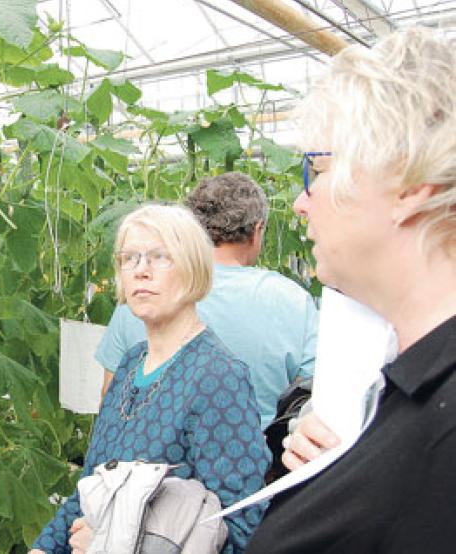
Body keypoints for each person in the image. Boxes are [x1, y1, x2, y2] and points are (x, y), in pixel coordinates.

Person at [245, 27, 456, 553]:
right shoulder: (404, 384)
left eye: (316, 168)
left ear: (408, 186)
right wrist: (343, 468)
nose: (300, 201)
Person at [31, 204, 270, 554]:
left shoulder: (218, 377)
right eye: (129, 258)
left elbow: (240, 525)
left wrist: (110, 541)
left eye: (160, 257)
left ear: (192, 268)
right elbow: (92, 487)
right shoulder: (131, 363)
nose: (141, 271)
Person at [97, 172, 318, 429]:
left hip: (149, 460)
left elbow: (109, 398)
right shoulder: (292, 300)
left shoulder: (143, 294)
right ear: (257, 230)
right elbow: (310, 399)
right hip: (261, 457)